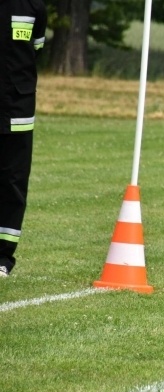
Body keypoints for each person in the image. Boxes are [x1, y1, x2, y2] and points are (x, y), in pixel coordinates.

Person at [0, 0, 47, 277]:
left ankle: (3, 258)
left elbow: (36, 49)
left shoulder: (34, 6)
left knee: (12, 183)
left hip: (18, 111)